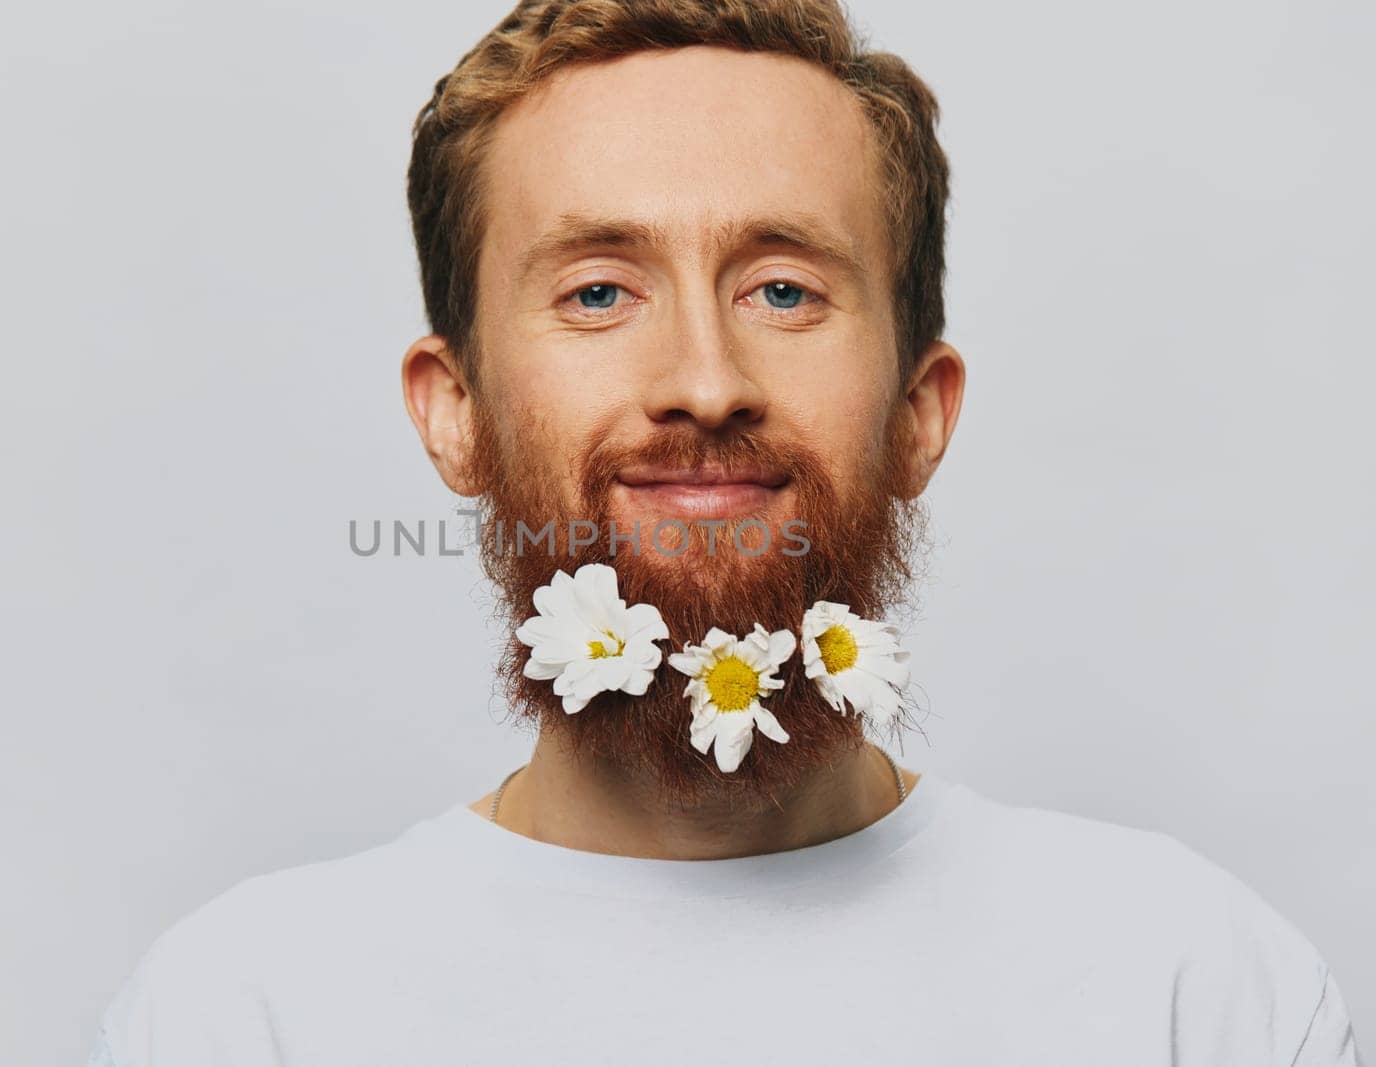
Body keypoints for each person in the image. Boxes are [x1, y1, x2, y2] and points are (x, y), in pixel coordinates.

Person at [89, 1, 1363, 1063]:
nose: (704, 377)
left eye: (783, 288)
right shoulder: (243, 1018)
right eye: (598, 290)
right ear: (456, 413)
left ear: (919, 415)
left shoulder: (1196, 992)